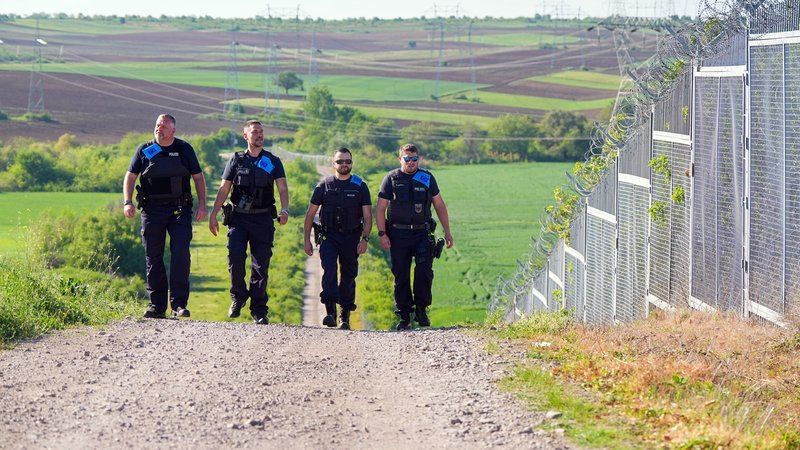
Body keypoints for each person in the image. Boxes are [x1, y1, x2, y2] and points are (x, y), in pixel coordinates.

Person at [123, 114, 207, 319]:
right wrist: (127, 202)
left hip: (180, 210)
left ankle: (178, 305)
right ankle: (156, 306)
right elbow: (130, 176)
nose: (159, 129)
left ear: (173, 131)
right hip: (152, 211)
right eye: (157, 125)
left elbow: (198, 177)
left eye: (164, 126)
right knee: (153, 256)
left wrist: (203, 205)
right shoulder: (144, 150)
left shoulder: (184, 149)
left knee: (180, 255)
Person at [209, 120, 289, 325]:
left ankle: (259, 309)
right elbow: (224, 189)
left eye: (261, 131)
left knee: (261, 266)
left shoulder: (273, 161)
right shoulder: (236, 160)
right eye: (255, 132)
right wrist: (213, 214)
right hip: (239, 218)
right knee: (235, 258)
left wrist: (285, 209)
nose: (259, 135)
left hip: (263, 218)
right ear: (246, 136)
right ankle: (238, 297)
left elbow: (282, 188)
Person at [376, 143, 453, 330]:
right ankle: (404, 315)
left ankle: (421, 309)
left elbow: (439, 205)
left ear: (419, 159)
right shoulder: (391, 179)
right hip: (398, 234)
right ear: (400, 159)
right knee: (401, 275)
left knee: (424, 272)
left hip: (422, 232)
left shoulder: (426, 178)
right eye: (407, 159)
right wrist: (382, 234)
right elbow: (380, 208)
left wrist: (447, 231)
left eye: (414, 159)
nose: (411, 162)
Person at [303, 148, 372, 330]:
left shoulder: (360, 186)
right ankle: (330, 312)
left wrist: (364, 239)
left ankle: (345, 316)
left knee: (349, 276)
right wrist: (306, 240)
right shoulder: (324, 185)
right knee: (330, 271)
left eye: (347, 161)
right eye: (340, 161)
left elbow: (368, 216)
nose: (344, 165)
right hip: (329, 236)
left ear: (352, 163)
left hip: (351, 237)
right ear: (333, 164)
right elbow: (310, 214)